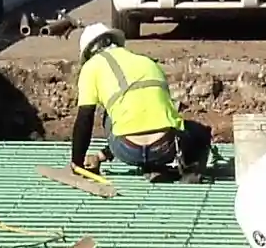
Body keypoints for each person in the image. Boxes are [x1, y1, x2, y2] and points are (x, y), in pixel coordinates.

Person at [71, 23, 213, 183]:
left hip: (127, 150)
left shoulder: (90, 68)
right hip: (166, 148)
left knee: (111, 114)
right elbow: (153, 116)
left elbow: (85, 119)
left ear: (88, 53)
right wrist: (101, 155)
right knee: (198, 132)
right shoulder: (147, 62)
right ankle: (189, 171)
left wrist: (77, 163)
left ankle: (151, 167)